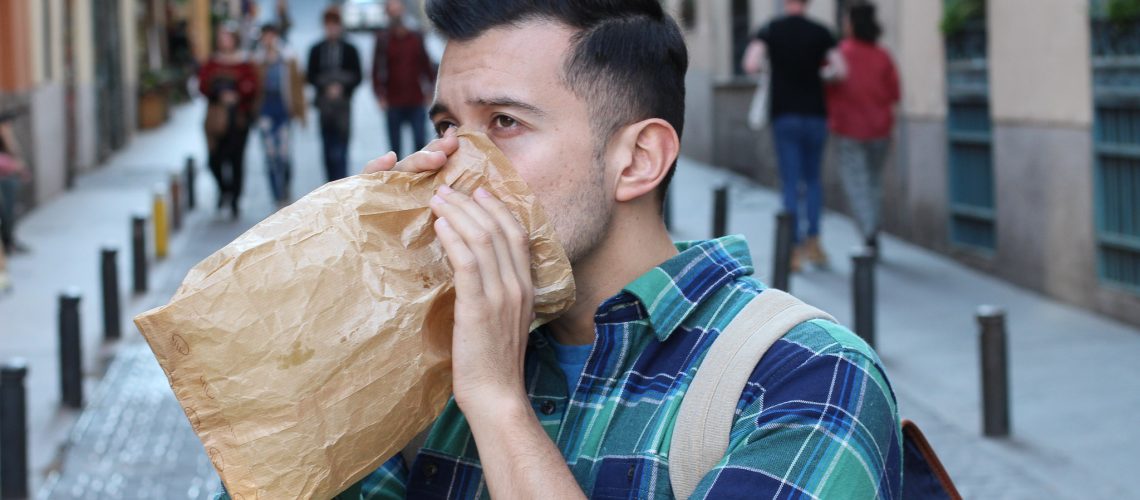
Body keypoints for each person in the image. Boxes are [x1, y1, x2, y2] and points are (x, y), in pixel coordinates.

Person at [216, 1, 901, 498]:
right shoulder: (433, 364)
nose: (451, 163)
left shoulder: (802, 379)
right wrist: (340, 345)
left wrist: (496, 402)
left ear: (637, 159)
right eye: (448, 125)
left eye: (503, 123)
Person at [745, 0, 845, 271]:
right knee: (813, 179)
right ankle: (814, 242)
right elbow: (840, 70)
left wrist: (773, 66)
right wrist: (820, 74)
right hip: (815, 114)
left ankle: (794, 250)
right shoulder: (821, 31)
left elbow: (751, 64)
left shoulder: (770, 29)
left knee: (790, 182)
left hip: (785, 115)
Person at [827, 2, 900, 258]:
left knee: (857, 185)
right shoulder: (883, 55)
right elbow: (894, 94)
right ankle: (872, 230)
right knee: (873, 183)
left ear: (852, 24)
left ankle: (869, 235)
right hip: (880, 129)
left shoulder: (841, 53)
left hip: (849, 130)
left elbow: (828, 85)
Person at [199, 26, 259, 219]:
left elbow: (253, 86)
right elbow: (202, 85)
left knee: (237, 160)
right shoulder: (213, 62)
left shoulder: (244, 62)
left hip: (238, 119)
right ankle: (224, 189)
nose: (224, 41)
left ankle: (234, 198)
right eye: (221, 37)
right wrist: (219, 93)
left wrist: (237, 94)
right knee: (214, 159)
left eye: (227, 37)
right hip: (217, 119)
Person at [372, 0, 437, 158]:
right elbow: (375, 70)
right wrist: (380, 95)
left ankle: (419, 181)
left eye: (398, 9)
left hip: (415, 99)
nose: (396, 14)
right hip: (393, 101)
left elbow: (426, 65)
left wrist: (431, 90)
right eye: (391, 10)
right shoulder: (383, 39)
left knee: (420, 143)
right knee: (395, 149)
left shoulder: (415, 37)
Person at [307, 9, 363, 182]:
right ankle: (330, 182)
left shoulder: (349, 49)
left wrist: (342, 87)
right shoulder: (316, 49)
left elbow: (358, 75)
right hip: (324, 105)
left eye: (334, 25)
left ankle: (341, 180)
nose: (331, 29)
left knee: (342, 146)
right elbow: (310, 75)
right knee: (327, 145)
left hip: (343, 104)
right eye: (328, 26)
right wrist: (325, 86)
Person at [254, 24, 307, 208]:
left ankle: (284, 187)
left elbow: (297, 87)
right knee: (270, 155)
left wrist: (301, 112)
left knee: (284, 154)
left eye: (271, 35)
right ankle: (275, 193)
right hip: (265, 111)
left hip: (283, 111)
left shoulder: (287, 58)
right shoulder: (258, 60)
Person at [0, 113, 30, 255]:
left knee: (10, 215)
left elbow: (16, 158)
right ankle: (7, 243)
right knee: (6, 215)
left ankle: (9, 242)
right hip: (3, 182)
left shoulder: (8, 140)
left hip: (8, 181)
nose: (8, 128)